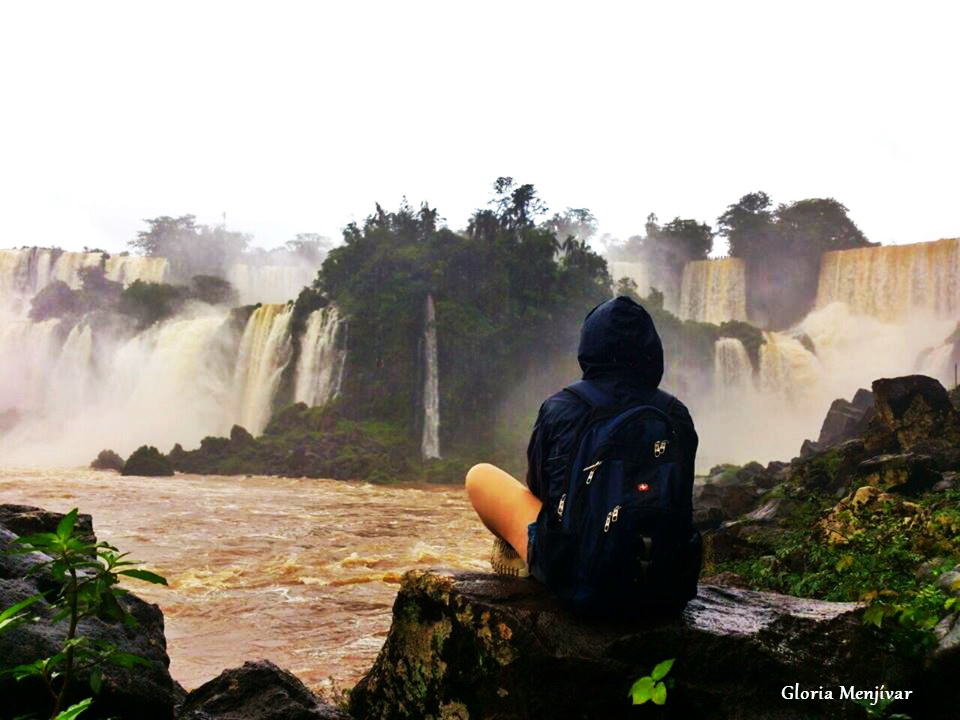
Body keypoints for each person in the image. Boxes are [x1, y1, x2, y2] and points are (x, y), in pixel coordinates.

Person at [465, 295, 698, 586]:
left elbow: (542, 489)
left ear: (589, 346)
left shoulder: (563, 407)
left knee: (479, 476)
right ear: (654, 351)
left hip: (578, 578)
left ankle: (525, 558)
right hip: (667, 589)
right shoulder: (677, 415)